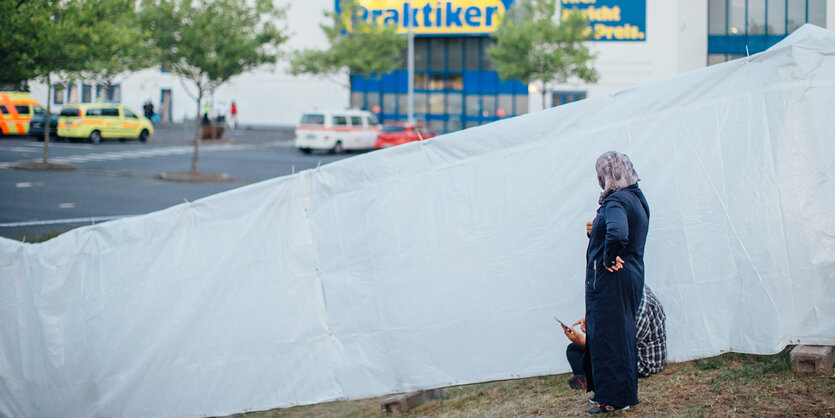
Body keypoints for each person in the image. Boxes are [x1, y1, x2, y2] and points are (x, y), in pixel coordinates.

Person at [580, 151, 650, 414]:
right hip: (630, 276)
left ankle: (613, 398)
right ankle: (618, 393)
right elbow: (623, 230)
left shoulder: (615, 202)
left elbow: (619, 233)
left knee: (609, 337)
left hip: (612, 281)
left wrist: (609, 257)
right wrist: (595, 229)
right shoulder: (635, 197)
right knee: (619, 335)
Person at [561, 284, 667, 391]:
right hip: (627, 349)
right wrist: (592, 323)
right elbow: (614, 324)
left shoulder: (640, 309)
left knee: (592, 353)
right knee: (573, 349)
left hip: (643, 364)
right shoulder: (631, 290)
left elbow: (618, 348)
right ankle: (585, 379)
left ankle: (592, 378)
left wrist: (586, 343)